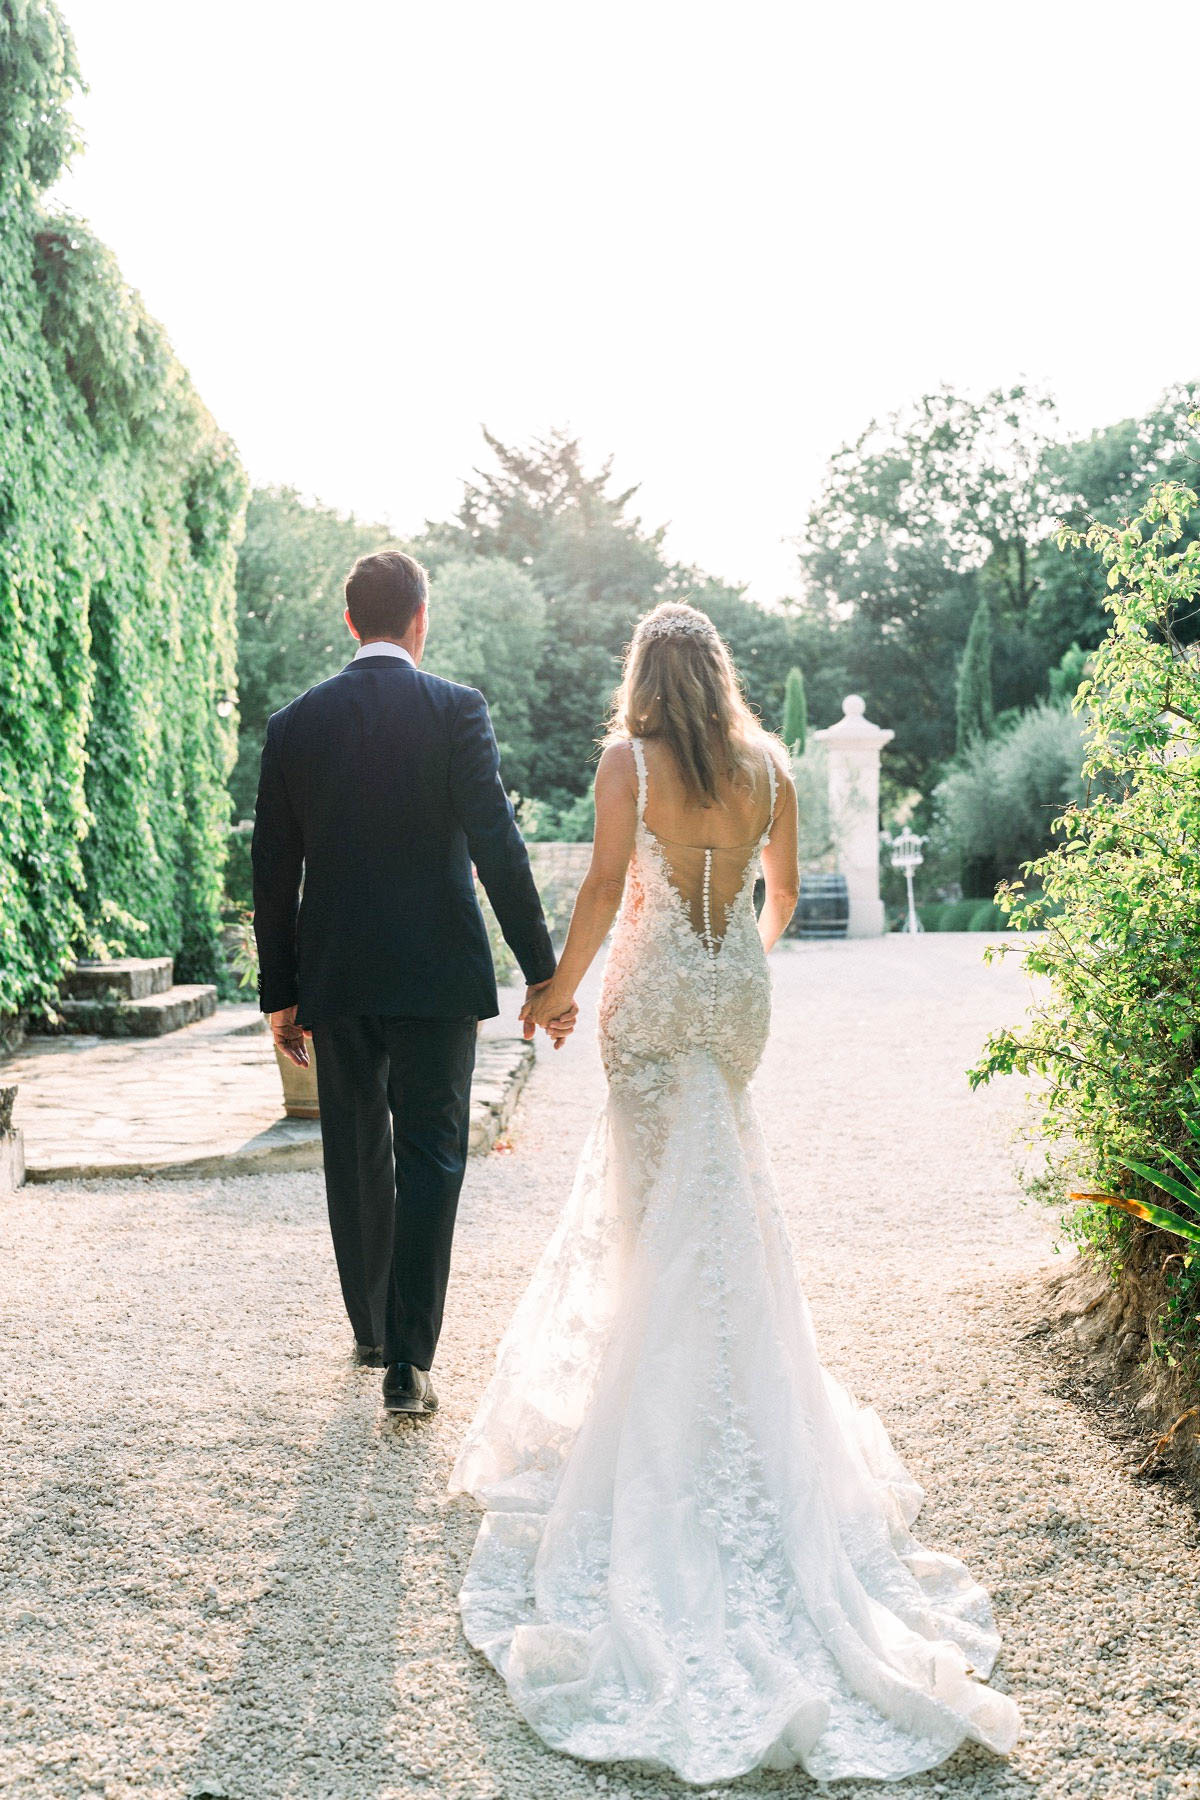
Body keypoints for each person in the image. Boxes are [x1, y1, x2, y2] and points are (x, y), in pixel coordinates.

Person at [448, 601, 1021, 1784]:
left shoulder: (628, 762)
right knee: (726, 1205)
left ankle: (657, 1401)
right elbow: (783, 891)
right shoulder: (767, 766)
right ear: (718, 674)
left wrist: (555, 993)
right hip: (729, 1001)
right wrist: (737, 961)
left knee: (656, 1220)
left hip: (654, 1000)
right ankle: (728, 1382)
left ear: (643, 677)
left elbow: (607, 889)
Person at [251, 550, 574, 1416]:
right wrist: (546, 972)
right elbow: (499, 847)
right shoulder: (455, 711)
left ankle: (371, 1328)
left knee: (354, 1147)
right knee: (431, 1154)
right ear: (420, 618)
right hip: (437, 973)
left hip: (338, 974)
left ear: (350, 622)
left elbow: (272, 872)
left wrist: (278, 990)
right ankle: (410, 1364)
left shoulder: (294, 726)